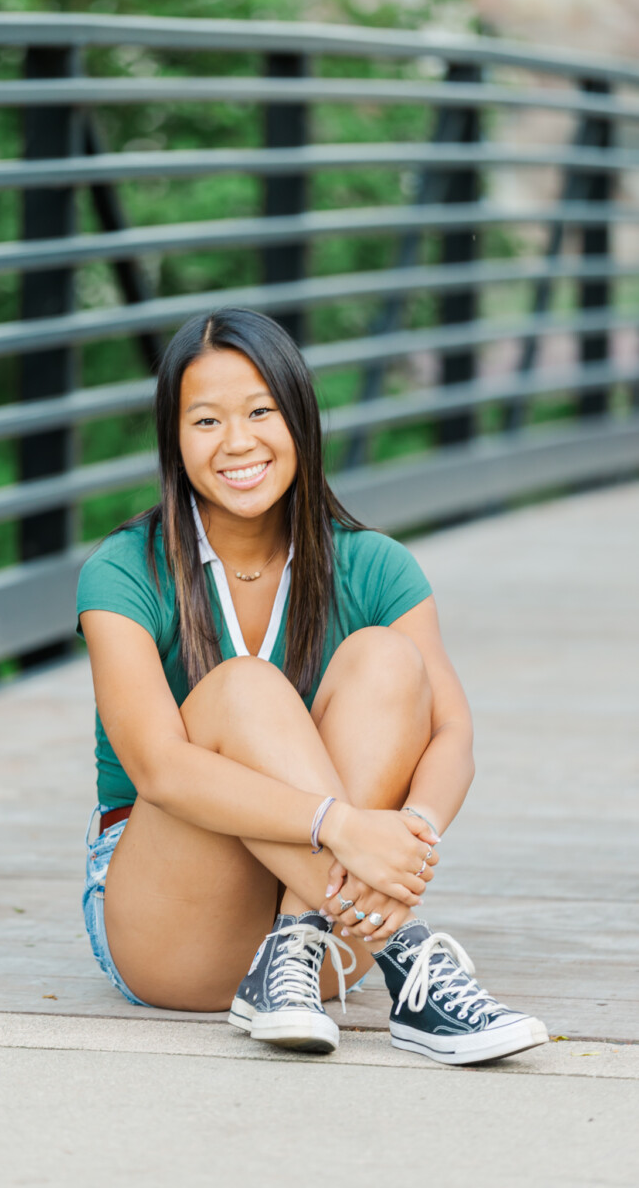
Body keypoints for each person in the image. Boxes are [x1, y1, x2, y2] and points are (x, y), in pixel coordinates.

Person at [77, 307, 548, 1066]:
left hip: (330, 942)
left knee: (389, 660)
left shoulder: (374, 566)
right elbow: (158, 768)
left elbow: (452, 733)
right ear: (173, 438)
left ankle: (292, 946)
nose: (237, 442)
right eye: (205, 421)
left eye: (260, 411)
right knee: (243, 688)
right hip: (171, 923)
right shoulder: (124, 572)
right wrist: (343, 826)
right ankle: (408, 958)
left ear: (300, 417)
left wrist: (405, 837)